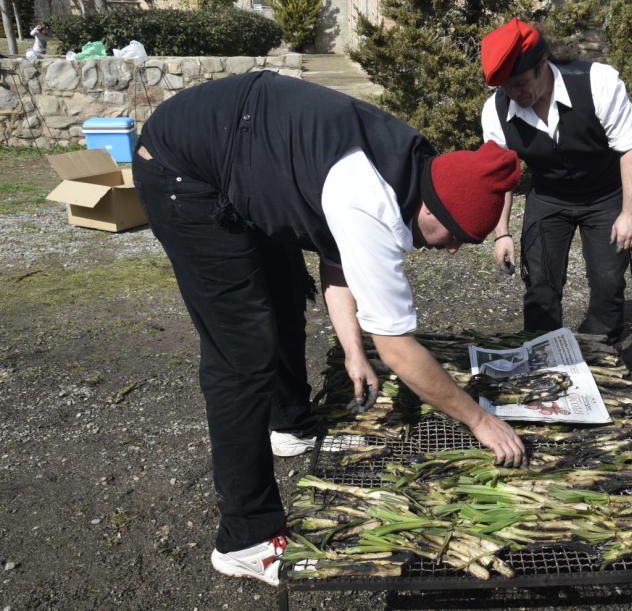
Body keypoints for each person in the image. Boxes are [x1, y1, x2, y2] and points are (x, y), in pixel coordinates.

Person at [132, 71, 526, 586]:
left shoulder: (415, 162)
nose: (451, 248)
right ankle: (244, 537)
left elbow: (334, 254)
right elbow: (400, 348)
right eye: (453, 236)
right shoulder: (375, 202)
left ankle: (289, 422)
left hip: (244, 146)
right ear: (433, 207)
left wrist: (352, 352)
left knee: (282, 291)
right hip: (182, 169)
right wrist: (479, 420)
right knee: (241, 352)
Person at [480, 18, 632, 347]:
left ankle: (602, 358)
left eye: (522, 83)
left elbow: (630, 147)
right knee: (540, 284)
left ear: (544, 63)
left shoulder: (597, 82)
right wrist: (502, 233)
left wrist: (630, 213)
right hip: (549, 198)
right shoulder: (495, 111)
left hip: (604, 196)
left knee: (608, 281)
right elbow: (501, 177)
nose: (517, 94)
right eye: (507, 87)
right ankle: (544, 357)